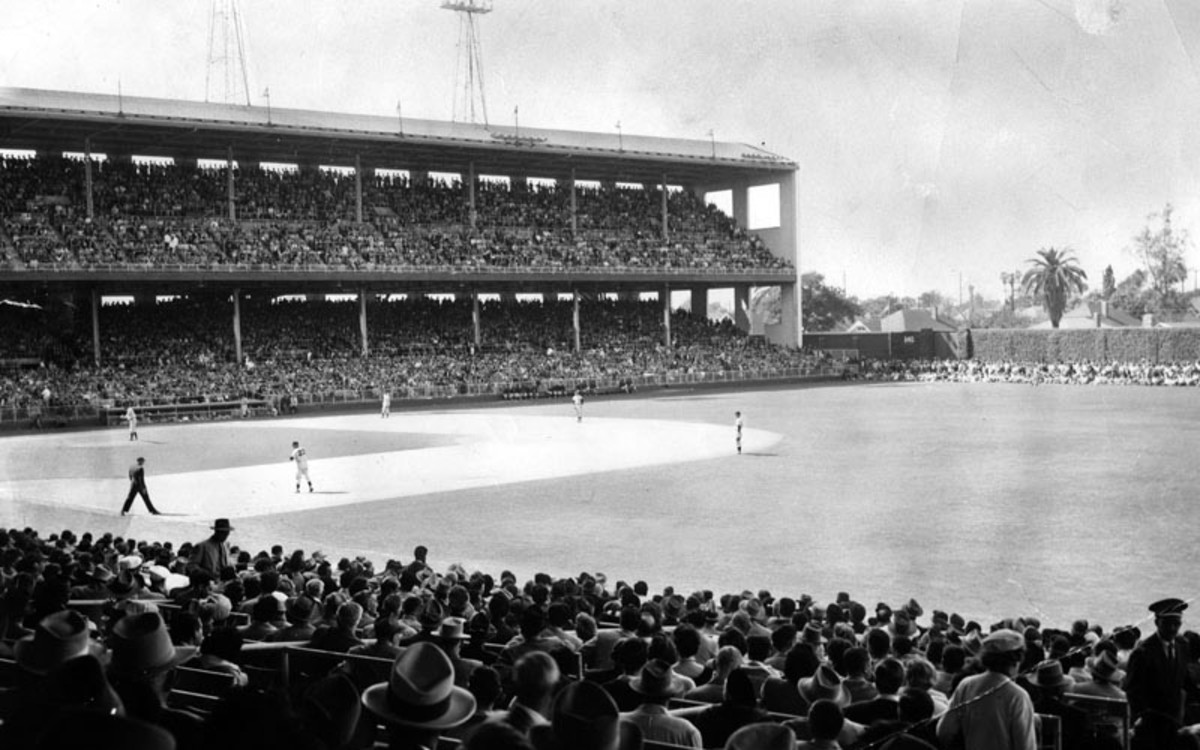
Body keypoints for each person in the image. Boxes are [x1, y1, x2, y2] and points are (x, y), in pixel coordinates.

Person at [936, 628, 1036, 750]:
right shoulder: (1018, 696)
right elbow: (1026, 746)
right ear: (1017, 660)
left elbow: (944, 731)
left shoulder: (966, 685)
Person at [1124, 597, 1200, 749]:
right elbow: (1132, 690)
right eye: (1167, 624)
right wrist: (1141, 717)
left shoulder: (1182, 645)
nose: (1172, 628)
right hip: (1151, 724)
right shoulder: (1143, 652)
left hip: (1176, 720)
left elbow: (1184, 680)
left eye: (1176, 624)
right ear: (1156, 622)